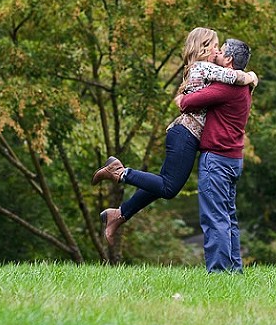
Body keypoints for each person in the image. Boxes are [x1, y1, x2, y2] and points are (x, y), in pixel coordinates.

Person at [91, 28, 258, 247]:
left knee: (162, 183)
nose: (217, 51)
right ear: (205, 48)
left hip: (184, 135)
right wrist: (251, 77)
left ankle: (120, 214)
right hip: (185, 134)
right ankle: (120, 173)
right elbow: (234, 76)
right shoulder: (204, 67)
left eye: (220, 48)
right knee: (169, 187)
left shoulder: (201, 68)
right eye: (215, 46)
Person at [176, 38, 253, 273]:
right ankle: (234, 269)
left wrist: (180, 98)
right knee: (228, 218)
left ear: (228, 60)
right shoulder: (243, 85)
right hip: (232, 158)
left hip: (217, 159)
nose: (216, 53)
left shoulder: (226, 87)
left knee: (214, 218)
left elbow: (187, 102)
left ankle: (219, 272)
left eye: (221, 51)